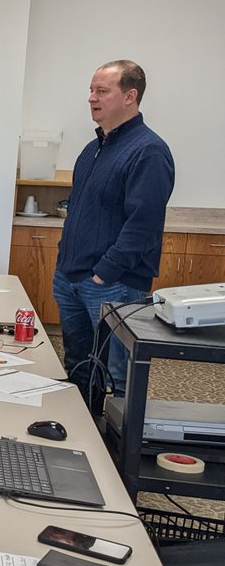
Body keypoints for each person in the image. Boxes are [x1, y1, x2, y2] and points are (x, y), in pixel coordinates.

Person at [53, 59, 174, 411]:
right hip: (71, 278)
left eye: (102, 91)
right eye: (91, 90)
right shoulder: (92, 150)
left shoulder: (148, 151)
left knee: (120, 376)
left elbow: (142, 223)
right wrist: (65, 261)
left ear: (130, 96)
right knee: (79, 366)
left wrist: (104, 272)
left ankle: (119, 458)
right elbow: (79, 209)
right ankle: (84, 439)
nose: (92, 98)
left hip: (114, 283)